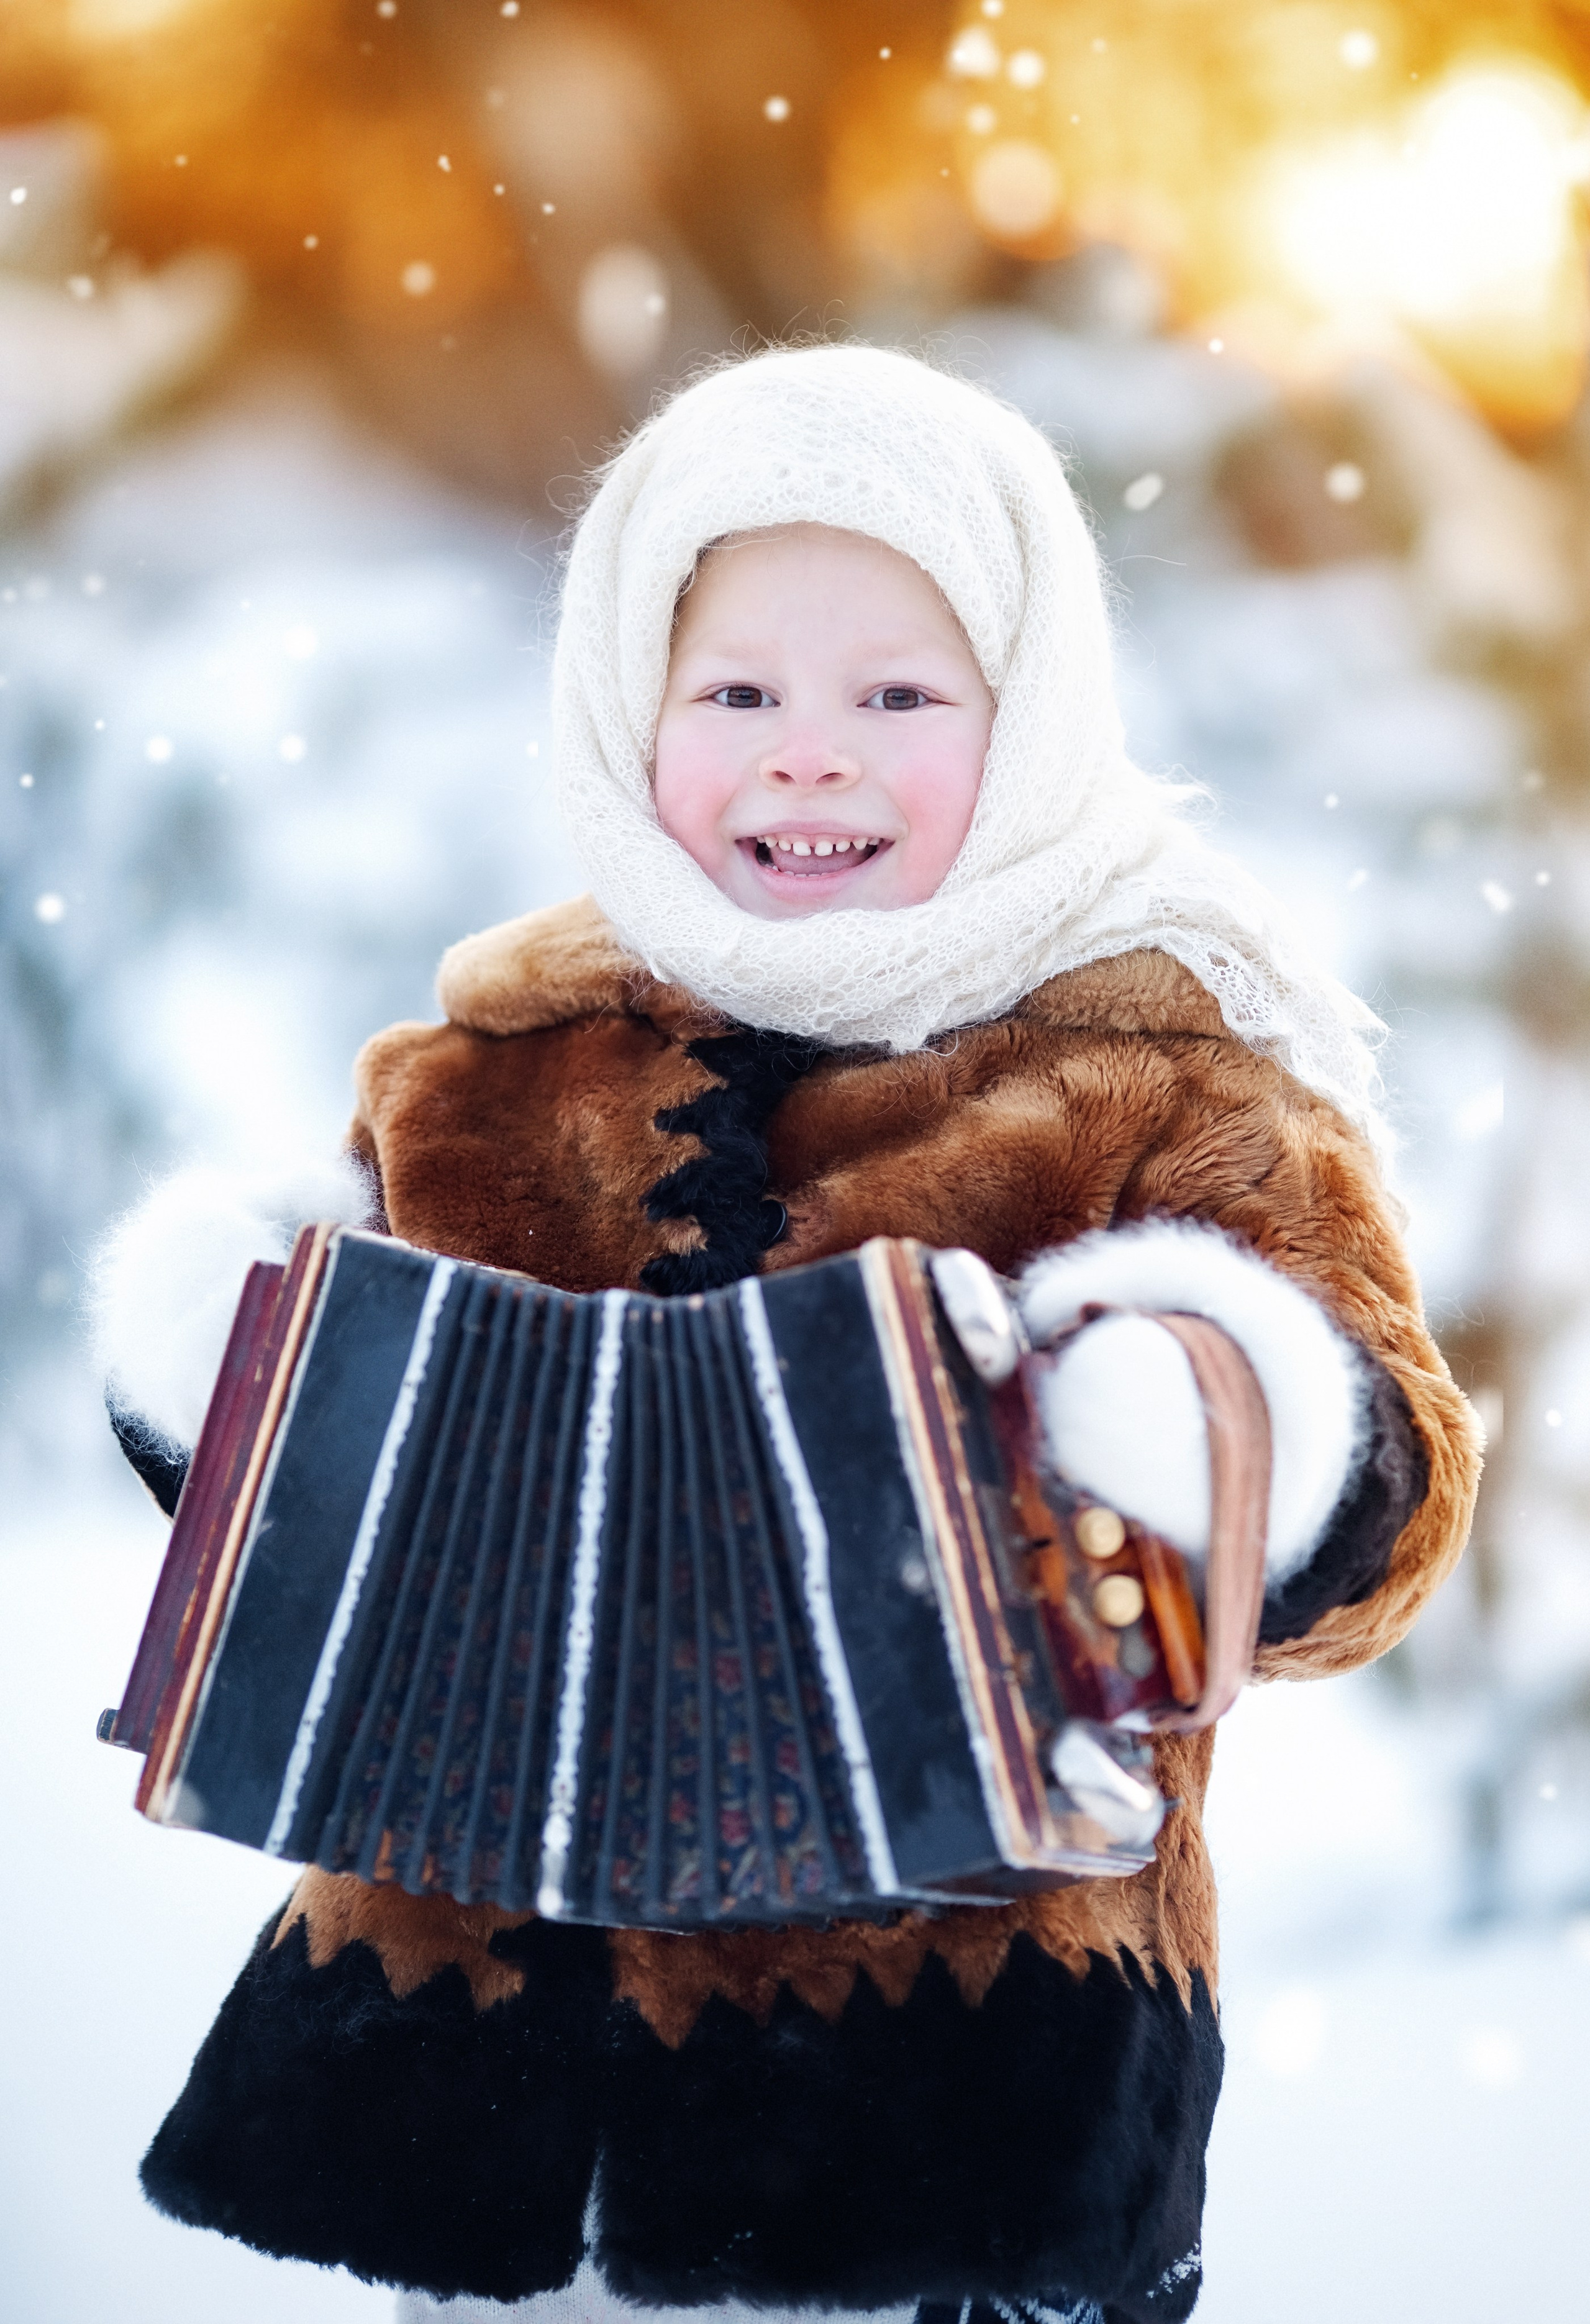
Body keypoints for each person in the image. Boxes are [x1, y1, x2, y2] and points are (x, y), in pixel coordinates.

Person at [94, 346, 1479, 2324]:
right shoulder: (495, 1073)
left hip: (964, 2103)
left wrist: (1230, 1413)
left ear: (1030, 719)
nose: (805, 754)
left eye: (895, 697)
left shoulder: (1160, 1076)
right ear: (624, 708)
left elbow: (1387, 1503)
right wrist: (225, 1363)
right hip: (502, 2106)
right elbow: (332, 1504)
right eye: (735, 691)